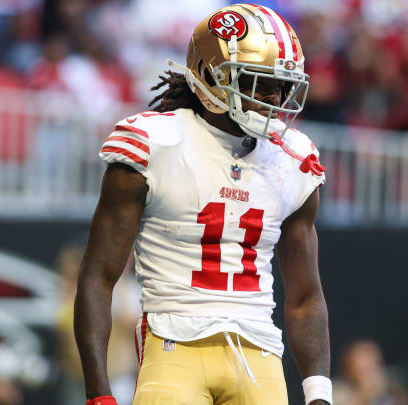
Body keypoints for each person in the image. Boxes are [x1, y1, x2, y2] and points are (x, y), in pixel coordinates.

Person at [74, 4, 331, 405]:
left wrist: (319, 394)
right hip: (173, 341)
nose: (273, 99)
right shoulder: (155, 143)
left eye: (280, 86)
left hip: (259, 350)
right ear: (213, 76)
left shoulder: (294, 159)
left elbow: (305, 295)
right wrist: (99, 394)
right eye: (258, 83)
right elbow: (98, 276)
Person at [333, 339, 408, 405]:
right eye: (364, 369)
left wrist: (398, 394)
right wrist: (364, 395)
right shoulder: (338, 391)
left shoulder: (388, 389)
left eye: (375, 363)